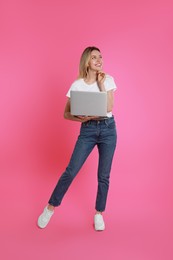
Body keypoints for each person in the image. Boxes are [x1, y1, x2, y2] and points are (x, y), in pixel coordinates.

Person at [37, 46, 117, 231]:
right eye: (94, 57)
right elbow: (66, 114)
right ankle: (50, 207)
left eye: (100, 57)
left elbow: (110, 106)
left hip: (108, 129)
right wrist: (82, 118)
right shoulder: (77, 84)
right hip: (88, 130)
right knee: (71, 171)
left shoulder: (109, 79)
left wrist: (102, 84)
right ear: (86, 62)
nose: (99, 60)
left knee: (103, 175)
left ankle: (99, 213)